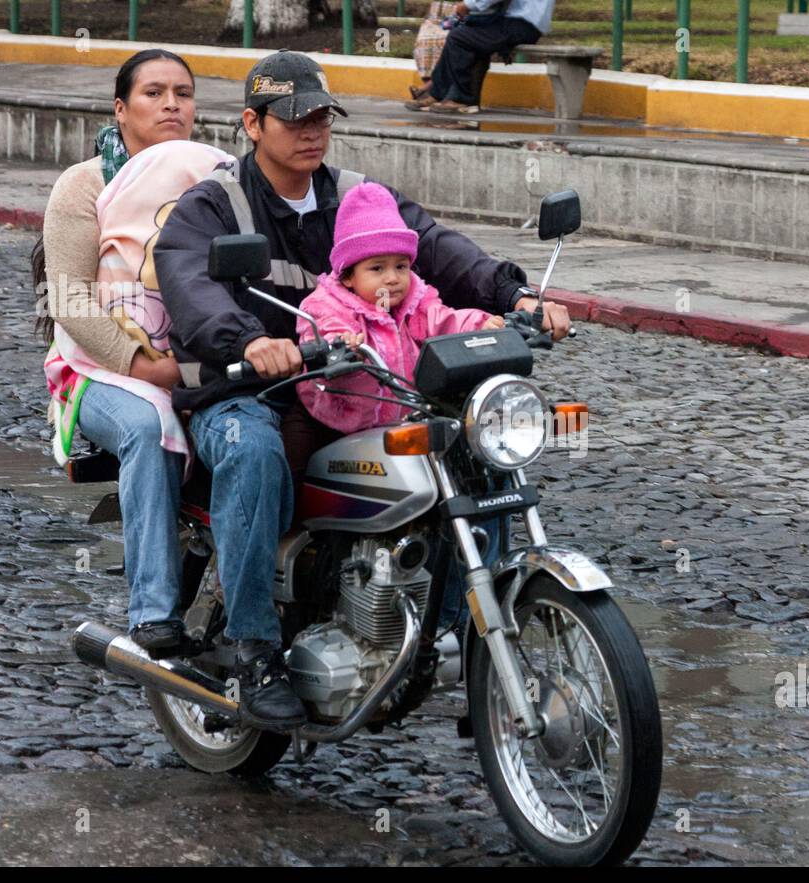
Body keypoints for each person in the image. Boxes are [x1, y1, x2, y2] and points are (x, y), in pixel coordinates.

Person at [154, 50, 570, 732]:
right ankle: (254, 647)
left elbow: (433, 247)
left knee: (469, 451)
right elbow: (189, 283)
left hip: (361, 387)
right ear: (253, 125)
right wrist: (247, 340)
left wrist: (513, 297)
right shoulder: (212, 207)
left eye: (321, 116)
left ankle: (463, 639)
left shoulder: (356, 195)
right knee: (253, 455)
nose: (311, 131)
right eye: (294, 119)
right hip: (250, 391)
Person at [39, 49, 208, 658]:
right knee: (149, 426)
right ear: (121, 108)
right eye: (154, 93)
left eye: (183, 94)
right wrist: (143, 366)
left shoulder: (216, 179)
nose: (171, 105)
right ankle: (154, 612)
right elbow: (69, 298)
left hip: (197, 359)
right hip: (95, 370)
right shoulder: (85, 184)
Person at [293, 181, 503, 434]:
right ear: (347, 276)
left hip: (410, 418)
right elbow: (326, 334)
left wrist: (479, 324)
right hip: (341, 422)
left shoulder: (415, 300)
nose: (392, 278)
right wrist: (341, 346)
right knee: (295, 453)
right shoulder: (325, 305)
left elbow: (444, 320)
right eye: (377, 268)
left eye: (401, 266)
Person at [407, 0, 554, 114]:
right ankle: (438, 93)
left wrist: (467, 5)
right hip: (522, 24)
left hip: (521, 25)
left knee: (459, 38)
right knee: (467, 36)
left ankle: (460, 98)